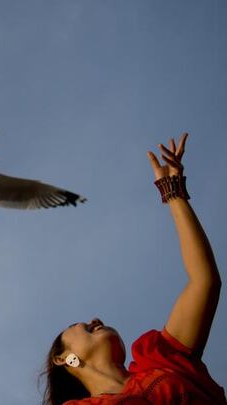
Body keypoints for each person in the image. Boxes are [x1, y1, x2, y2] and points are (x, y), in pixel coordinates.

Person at [42, 133, 225, 404]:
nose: (94, 319)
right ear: (62, 358)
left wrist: (172, 192)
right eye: (76, 325)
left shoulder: (159, 359)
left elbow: (204, 281)